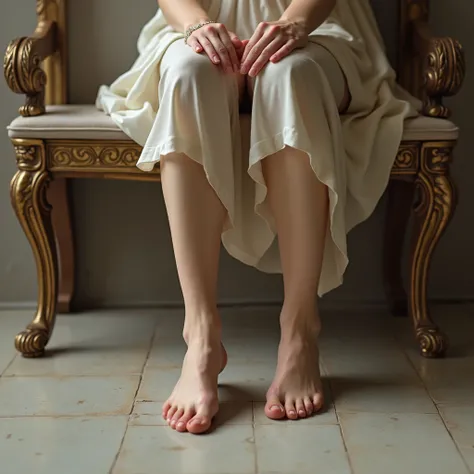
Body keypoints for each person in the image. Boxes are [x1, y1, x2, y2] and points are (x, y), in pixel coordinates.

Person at [97, 0, 418, 434]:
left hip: (321, 28)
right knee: (191, 71)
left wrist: (294, 24)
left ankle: (300, 330)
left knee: (290, 73)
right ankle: (201, 336)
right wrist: (198, 25)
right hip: (194, 22)